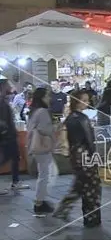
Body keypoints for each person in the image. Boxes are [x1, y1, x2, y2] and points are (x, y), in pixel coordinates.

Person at [53, 89, 102, 228]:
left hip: (75, 155)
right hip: (86, 155)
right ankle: (92, 217)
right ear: (77, 102)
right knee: (92, 186)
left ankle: (64, 207)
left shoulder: (69, 118)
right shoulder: (83, 119)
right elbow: (89, 140)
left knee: (80, 184)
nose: (87, 103)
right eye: (84, 100)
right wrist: (95, 157)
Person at [27, 88, 57, 216]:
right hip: (42, 147)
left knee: (45, 174)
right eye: (47, 96)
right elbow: (45, 130)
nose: (49, 98)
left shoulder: (34, 111)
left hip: (36, 147)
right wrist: (55, 127)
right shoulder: (43, 112)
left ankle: (41, 200)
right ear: (42, 98)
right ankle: (39, 203)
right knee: (45, 175)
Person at [0, 79, 30, 193]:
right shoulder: (1, 101)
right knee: (6, 158)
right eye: (8, 84)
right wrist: (6, 132)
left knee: (14, 157)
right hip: (6, 136)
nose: (11, 86)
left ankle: (15, 182)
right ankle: (15, 182)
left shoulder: (4, 100)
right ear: (3, 86)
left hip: (9, 135)